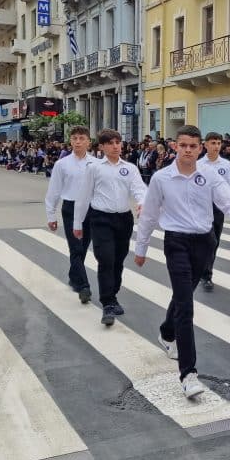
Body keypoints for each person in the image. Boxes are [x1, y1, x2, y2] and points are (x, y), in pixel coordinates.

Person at [134, 125, 230, 399]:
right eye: (183, 145)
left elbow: (227, 200)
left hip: (204, 243)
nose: (187, 150)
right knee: (186, 305)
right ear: (175, 146)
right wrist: (141, 247)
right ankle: (188, 374)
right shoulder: (162, 178)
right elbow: (149, 215)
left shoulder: (209, 175)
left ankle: (165, 331)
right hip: (176, 243)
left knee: (183, 295)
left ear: (200, 148)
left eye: (193, 146)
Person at [72, 129, 146, 326]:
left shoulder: (130, 168)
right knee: (106, 259)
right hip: (100, 219)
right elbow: (84, 196)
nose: (115, 146)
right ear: (102, 147)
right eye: (110, 143)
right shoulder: (94, 168)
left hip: (123, 219)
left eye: (118, 142)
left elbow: (139, 188)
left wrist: (142, 202)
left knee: (118, 260)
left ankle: (113, 295)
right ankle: (107, 303)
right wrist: (77, 223)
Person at [45, 126, 98, 304]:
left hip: (90, 210)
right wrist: (51, 215)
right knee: (75, 248)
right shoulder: (62, 164)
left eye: (81, 138)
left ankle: (73, 276)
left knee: (82, 248)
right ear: (70, 141)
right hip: (70, 208)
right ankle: (84, 287)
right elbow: (53, 191)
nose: (77, 141)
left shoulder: (97, 164)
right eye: (74, 138)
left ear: (88, 141)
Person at [197, 131, 230, 292]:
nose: (216, 146)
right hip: (203, 207)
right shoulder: (199, 164)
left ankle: (206, 271)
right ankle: (206, 274)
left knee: (215, 241)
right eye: (213, 143)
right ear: (205, 145)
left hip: (219, 208)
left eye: (218, 143)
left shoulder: (226, 165)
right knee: (207, 241)